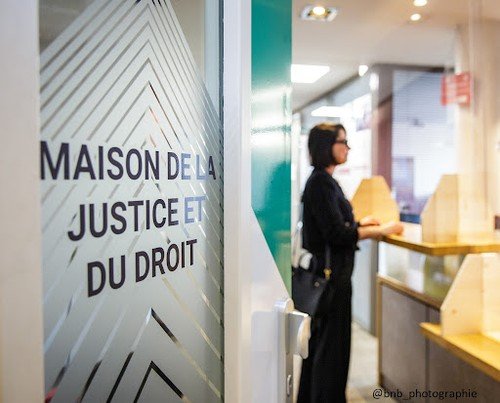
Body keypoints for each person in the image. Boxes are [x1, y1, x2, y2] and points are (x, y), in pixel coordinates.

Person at [297, 122, 403, 403]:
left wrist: (360, 224)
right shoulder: (321, 183)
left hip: (332, 279)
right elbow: (336, 233)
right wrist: (378, 230)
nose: (347, 148)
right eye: (342, 142)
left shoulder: (323, 181)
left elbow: (335, 226)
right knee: (331, 350)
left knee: (323, 349)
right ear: (326, 146)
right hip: (331, 281)